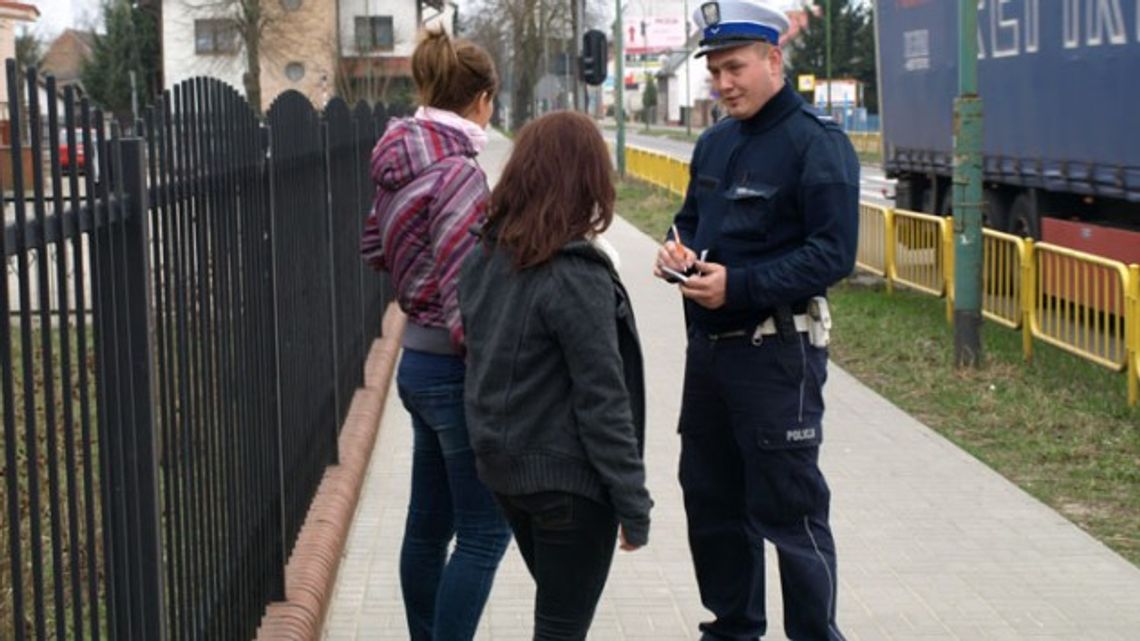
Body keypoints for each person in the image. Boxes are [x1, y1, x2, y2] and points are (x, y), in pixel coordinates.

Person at [653, 2, 858, 640]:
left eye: (734, 68)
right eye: (714, 72)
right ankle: (733, 629)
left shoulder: (816, 145)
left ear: (774, 60)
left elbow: (833, 254)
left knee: (790, 515)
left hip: (778, 356)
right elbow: (691, 219)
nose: (723, 84)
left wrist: (739, 285)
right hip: (710, 358)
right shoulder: (716, 141)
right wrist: (676, 249)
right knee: (712, 505)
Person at [459, 111, 653, 641]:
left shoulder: (484, 257)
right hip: (569, 485)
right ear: (586, 178)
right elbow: (603, 399)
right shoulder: (574, 274)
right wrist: (633, 503)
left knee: (557, 618)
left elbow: (478, 365)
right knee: (562, 630)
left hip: (507, 474)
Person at [361, 27, 511, 641]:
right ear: (481, 100)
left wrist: (413, 270)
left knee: (428, 527)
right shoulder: (459, 174)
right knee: (484, 532)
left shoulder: (399, 161)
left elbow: (374, 246)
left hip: (415, 366)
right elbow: (464, 294)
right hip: (454, 371)